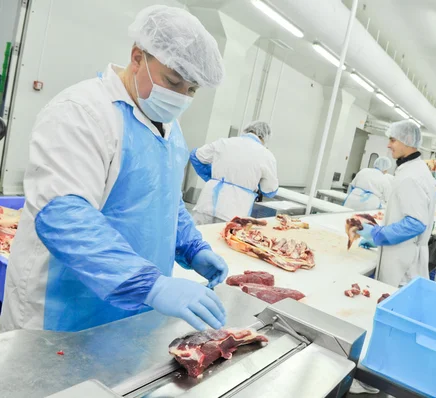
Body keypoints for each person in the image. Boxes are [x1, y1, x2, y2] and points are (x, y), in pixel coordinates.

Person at [0, 6, 229, 333]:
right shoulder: (82, 112)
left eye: (191, 90)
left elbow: (164, 200)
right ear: (137, 57)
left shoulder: (168, 127)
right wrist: (152, 286)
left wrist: (192, 246)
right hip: (62, 313)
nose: (180, 97)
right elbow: (64, 216)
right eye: (172, 81)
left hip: (131, 313)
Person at [357, 121, 436, 287]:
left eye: (393, 140)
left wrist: (378, 235)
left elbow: (416, 223)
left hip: (402, 262)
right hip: (405, 255)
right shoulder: (414, 170)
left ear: (407, 140)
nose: (388, 145)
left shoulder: (411, 177)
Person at [190, 121, 279, 224]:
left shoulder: (224, 143)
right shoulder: (267, 156)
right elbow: (269, 190)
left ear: (247, 129)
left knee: (196, 236)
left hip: (207, 203)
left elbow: (196, 156)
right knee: (221, 238)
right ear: (264, 137)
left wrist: (211, 176)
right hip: (235, 211)